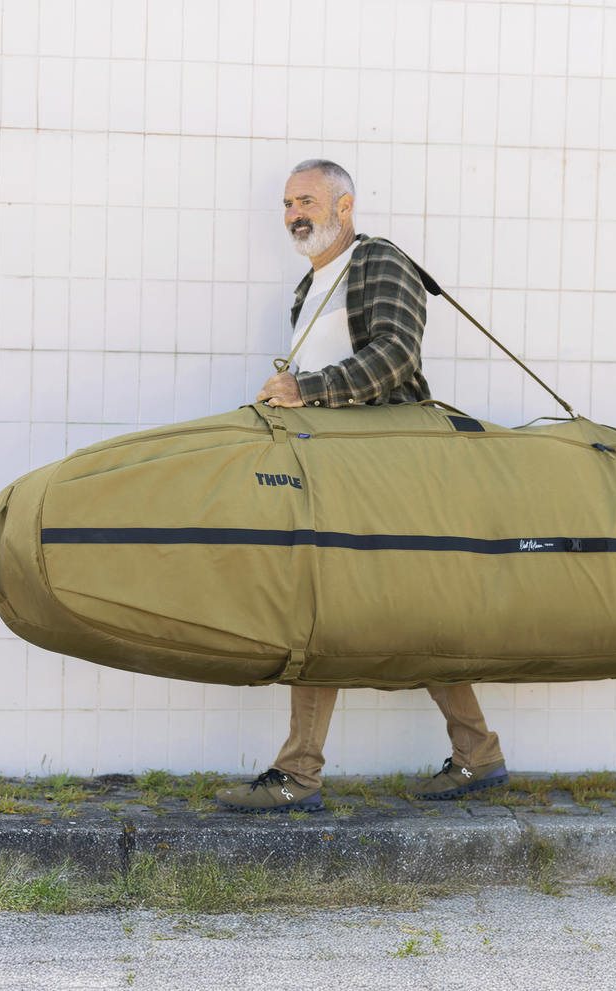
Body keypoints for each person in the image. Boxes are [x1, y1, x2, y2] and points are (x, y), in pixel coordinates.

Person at [215, 160, 509, 813]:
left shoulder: (378, 261)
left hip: (387, 466)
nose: (294, 213)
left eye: (307, 200)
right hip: (335, 467)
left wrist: (306, 388)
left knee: (325, 605)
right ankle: (478, 752)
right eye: (287, 204)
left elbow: (396, 354)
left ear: (344, 206)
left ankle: (298, 772)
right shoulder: (309, 287)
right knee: (405, 608)